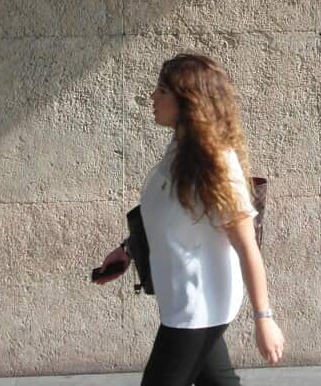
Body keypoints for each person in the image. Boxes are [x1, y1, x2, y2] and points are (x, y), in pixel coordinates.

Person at [94, 54, 285, 385]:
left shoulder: (216, 165)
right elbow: (166, 215)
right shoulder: (178, 151)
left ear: (188, 102)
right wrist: (127, 251)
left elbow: (246, 247)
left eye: (162, 90)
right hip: (184, 300)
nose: (152, 97)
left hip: (197, 307)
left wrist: (263, 318)